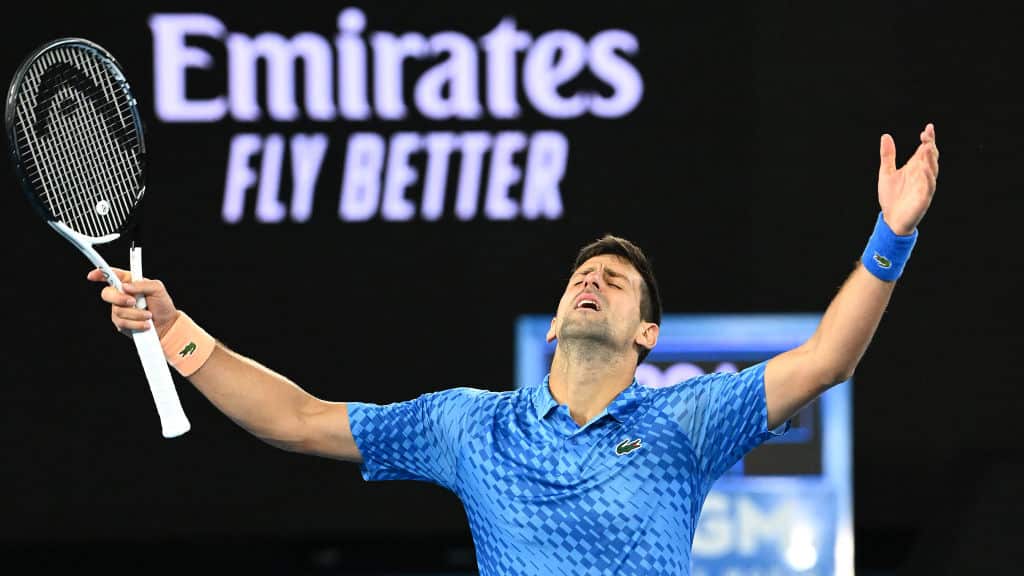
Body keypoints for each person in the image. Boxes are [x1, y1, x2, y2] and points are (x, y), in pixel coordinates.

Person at [89, 123, 939, 575]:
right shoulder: (473, 427)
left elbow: (827, 358)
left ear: (648, 334)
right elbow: (301, 419)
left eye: (614, 279)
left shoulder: (689, 419)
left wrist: (890, 234)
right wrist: (176, 332)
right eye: (584, 274)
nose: (591, 281)